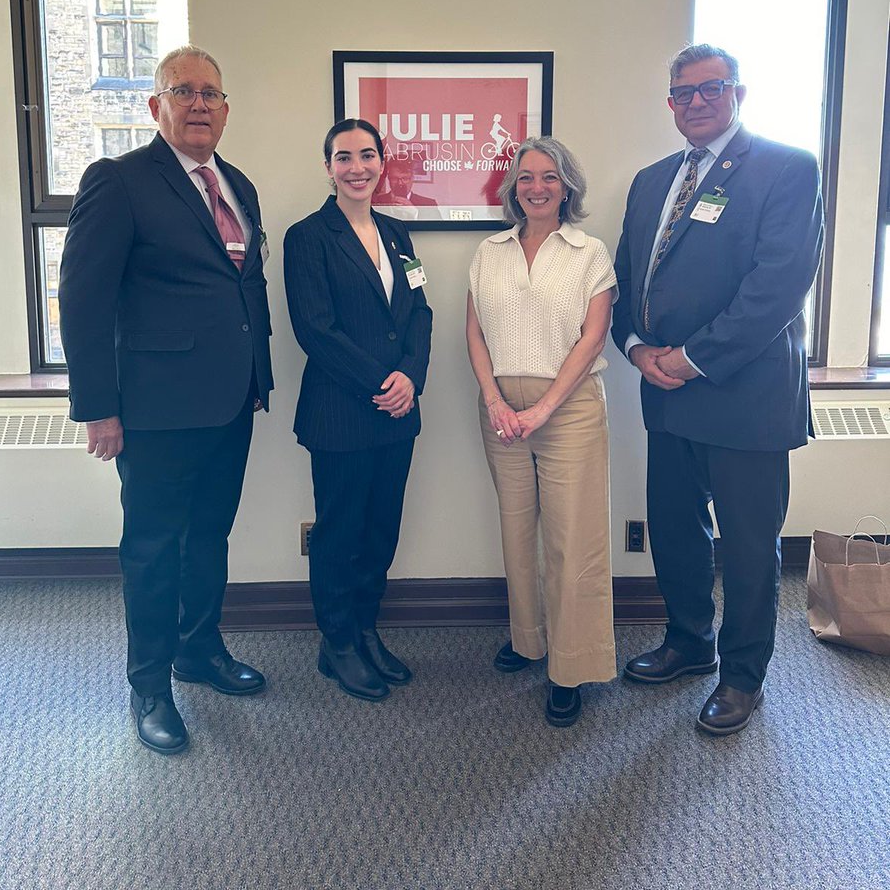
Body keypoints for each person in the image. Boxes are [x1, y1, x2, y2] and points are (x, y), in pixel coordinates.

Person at [58, 44, 274, 756]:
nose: (200, 104)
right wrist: (98, 405)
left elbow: (245, 289)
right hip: (154, 411)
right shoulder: (119, 182)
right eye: (184, 92)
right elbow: (82, 298)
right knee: (153, 550)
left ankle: (199, 652)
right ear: (157, 107)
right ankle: (149, 685)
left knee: (209, 538)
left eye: (212, 93)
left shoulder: (237, 182)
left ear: (226, 108)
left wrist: (258, 375)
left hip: (231, 402)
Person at [612, 43, 824, 736]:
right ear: (669, 102)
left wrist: (694, 357)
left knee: (746, 546)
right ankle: (688, 641)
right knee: (675, 528)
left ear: (738, 93)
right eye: (683, 92)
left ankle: (742, 677)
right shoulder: (651, 182)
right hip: (665, 390)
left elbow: (778, 287)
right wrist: (640, 348)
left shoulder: (786, 169)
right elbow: (628, 278)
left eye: (712, 88)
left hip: (744, 393)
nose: (696, 102)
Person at [466, 137, 617, 727]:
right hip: (502, 408)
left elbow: (593, 337)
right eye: (525, 177)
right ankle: (529, 639)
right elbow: (474, 332)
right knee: (515, 528)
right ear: (513, 187)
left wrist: (542, 409)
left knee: (571, 539)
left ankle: (571, 667)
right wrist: (495, 400)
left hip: (569, 407)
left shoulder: (588, 252)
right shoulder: (490, 250)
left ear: (567, 186)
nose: (536, 187)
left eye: (548, 177)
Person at [284, 119, 432, 702]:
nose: (357, 167)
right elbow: (315, 331)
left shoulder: (398, 234)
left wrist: (411, 379)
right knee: (340, 529)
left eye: (367, 155)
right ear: (328, 168)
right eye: (344, 157)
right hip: (342, 412)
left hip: (399, 412)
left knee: (381, 528)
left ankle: (366, 630)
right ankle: (337, 643)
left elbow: (419, 314)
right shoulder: (308, 237)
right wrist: (383, 381)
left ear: (382, 163)